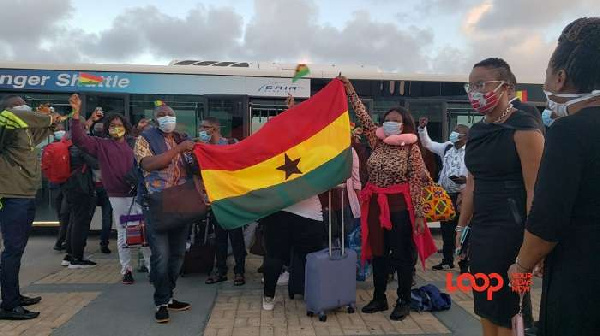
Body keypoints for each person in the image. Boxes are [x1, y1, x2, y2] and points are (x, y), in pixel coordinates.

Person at [508, 17, 600, 336]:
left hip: (582, 280)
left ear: (560, 78)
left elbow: (547, 220)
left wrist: (521, 266)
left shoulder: (568, 132)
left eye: (547, 74)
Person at [454, 58, 544, 336]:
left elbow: (535, 191)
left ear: (508, 87)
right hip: (482, 229)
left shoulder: (525, 129)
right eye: (471, 86)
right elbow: (472, 184)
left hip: (512, 231)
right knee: (484, 301)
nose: (475, 92)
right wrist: (461, 227)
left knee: (509, 307)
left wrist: (533, 242)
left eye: (481, 84)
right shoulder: (478, 131)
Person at [339, 76, 431, 321]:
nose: (390, 123)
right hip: (375, 206)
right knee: (377, 252)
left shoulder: (411, 149)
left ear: (405, 125)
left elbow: (415, 182)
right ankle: (379, 297)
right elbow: (362, 116)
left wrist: (420, 214)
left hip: (400, 208)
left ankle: (403, 300)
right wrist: (350, 90)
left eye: (396, 121)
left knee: (401, 255)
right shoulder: (376, 141)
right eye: (387, 120)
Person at [68, 94, 151, 283]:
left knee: (144, 231)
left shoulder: (135, 143)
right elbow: (79, 138)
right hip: (118, 195)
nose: (116, 128)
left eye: (119, 125)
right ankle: (126, 269)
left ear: (126, 127)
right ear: (107, 128)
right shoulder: (101, 145)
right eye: (112, 125)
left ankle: (150, 266)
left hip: (138, 193)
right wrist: (75, 113)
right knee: (124, 231)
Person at [134, 101, 196, 323]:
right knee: (161, 256)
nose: (167, 117)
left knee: (179, 254)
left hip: (182, 202)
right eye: (162, 114)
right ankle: (161, 302)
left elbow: (193, 165)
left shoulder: (181, 137)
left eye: (170, 114)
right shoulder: (145, 138)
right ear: (155, 119)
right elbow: (148, 164)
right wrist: (179, 150)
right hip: (158, 204)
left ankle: (169, 296)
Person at [0, 95, 61, 320]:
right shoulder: (6, 121)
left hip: (26, 194)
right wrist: (43, 116)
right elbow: (13, 114)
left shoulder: (22, 132)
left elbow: (43, 129)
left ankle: (13, 295)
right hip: (12, 196)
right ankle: (8, 304)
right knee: (12, 250)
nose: (23, 107)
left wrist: (53, 119)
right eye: (18, 104)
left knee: (17, 250)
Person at [200, 117, 247, 287]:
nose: (202, 130)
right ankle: (220, 271)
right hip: (215, 199)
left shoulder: (231, 144)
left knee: (236, 237)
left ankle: (239, 271)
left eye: (205, 127)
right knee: (219, 237)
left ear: (215, 128)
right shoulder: (203, 148)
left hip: (232, 198)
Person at [418, 118, 469, 272]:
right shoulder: (447, 147)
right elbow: (428, 144)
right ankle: (447, 260)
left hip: (463, 196)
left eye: (458, 132)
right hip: (445, 196)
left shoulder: (472, 150)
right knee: (446, 229)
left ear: (466, 136)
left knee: (462, 229)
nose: (454, 133)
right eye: (454, 130)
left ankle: (464, 264)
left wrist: (465, 181)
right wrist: (422, 129)